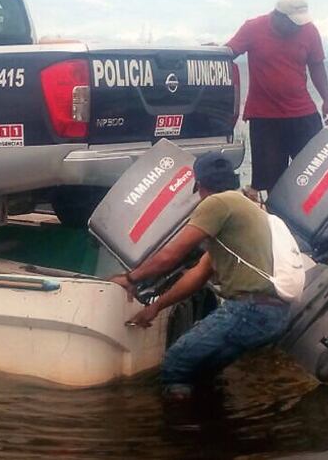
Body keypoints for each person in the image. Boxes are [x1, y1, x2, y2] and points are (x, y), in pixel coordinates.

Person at [110, 152, 290, 398]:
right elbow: (198, 274)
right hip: (274, 315)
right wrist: (156, 307)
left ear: (200, 186)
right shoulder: (247, 208)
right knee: (201, 373)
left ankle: (179, 432)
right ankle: (215, 428)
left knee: (176, 363)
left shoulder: (217, 204)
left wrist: (131, 278)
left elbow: (171, 255)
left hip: (247, 310)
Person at [226, 0, 328, 194]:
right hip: (265, 118)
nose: (297, 27)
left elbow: (317, 65)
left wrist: (327, 100)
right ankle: (277, 219)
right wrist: (211, 51)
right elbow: (229, 52)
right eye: (293, 23)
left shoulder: (309, 30)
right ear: (278, 16)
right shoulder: (253, 28)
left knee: (315, 174)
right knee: (270, 182)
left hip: (303, 115)